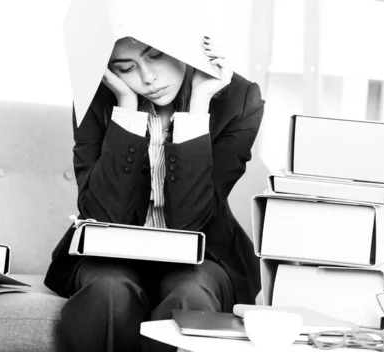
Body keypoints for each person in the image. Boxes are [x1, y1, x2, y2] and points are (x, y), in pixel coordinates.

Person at [45, 35, 265, 352]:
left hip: (204, 255)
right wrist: (126, 108)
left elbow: (189, 221)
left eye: (157, 56)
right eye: (126, 67)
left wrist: (198, 106)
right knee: (109, 291)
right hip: (109, 254)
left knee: (191, 295)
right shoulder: (95, 96)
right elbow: (105, 215)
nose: (147, 78)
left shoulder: (240, 99)